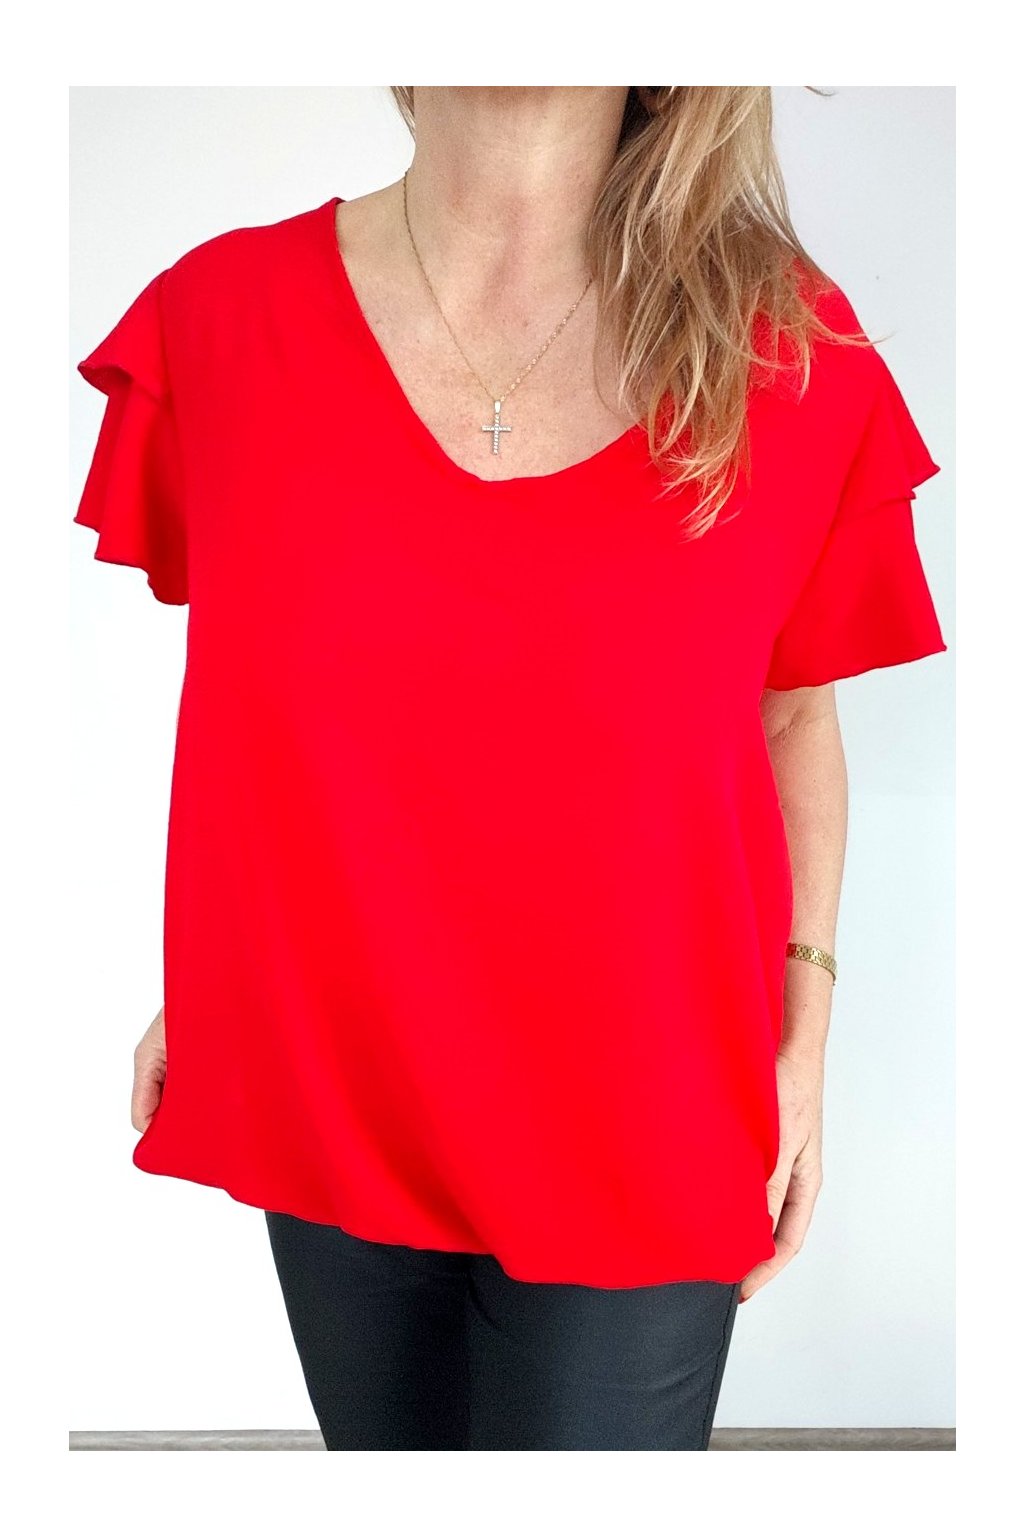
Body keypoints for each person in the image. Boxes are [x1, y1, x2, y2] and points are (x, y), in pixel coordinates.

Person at [72, 86, 948, 1451]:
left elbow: (790, 720)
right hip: (333, 1074)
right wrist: (217, 979)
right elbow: (290, 719)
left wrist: (805, 1035)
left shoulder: (787, 352)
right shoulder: (221, 318)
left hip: (652, 1095)